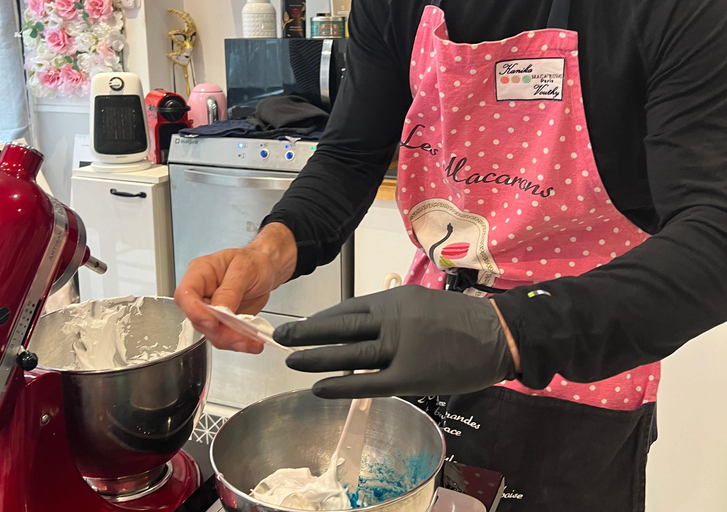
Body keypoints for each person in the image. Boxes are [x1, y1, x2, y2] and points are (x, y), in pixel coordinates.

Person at [175, 1, 727, 510]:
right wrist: (269, 251)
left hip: (580, 351)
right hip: (431, 329)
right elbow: (348, 156)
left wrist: (503, 331)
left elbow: (714, 234)